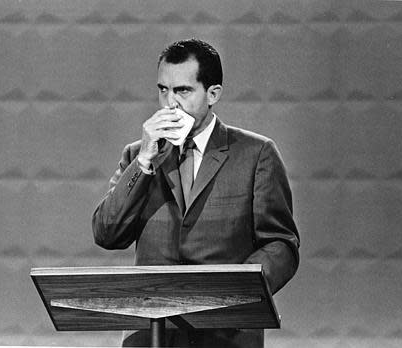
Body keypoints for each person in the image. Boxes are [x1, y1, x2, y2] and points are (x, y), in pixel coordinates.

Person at [92, 38, 300, 348]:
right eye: (163, 90)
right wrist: (145, 161)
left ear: (213, 93)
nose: (170, 104)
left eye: (183, 91)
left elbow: (281, 244)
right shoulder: (138, 155)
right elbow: (107, 233)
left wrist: (232, 291)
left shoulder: (256, 154)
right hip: (153, 333)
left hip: (226, 334)